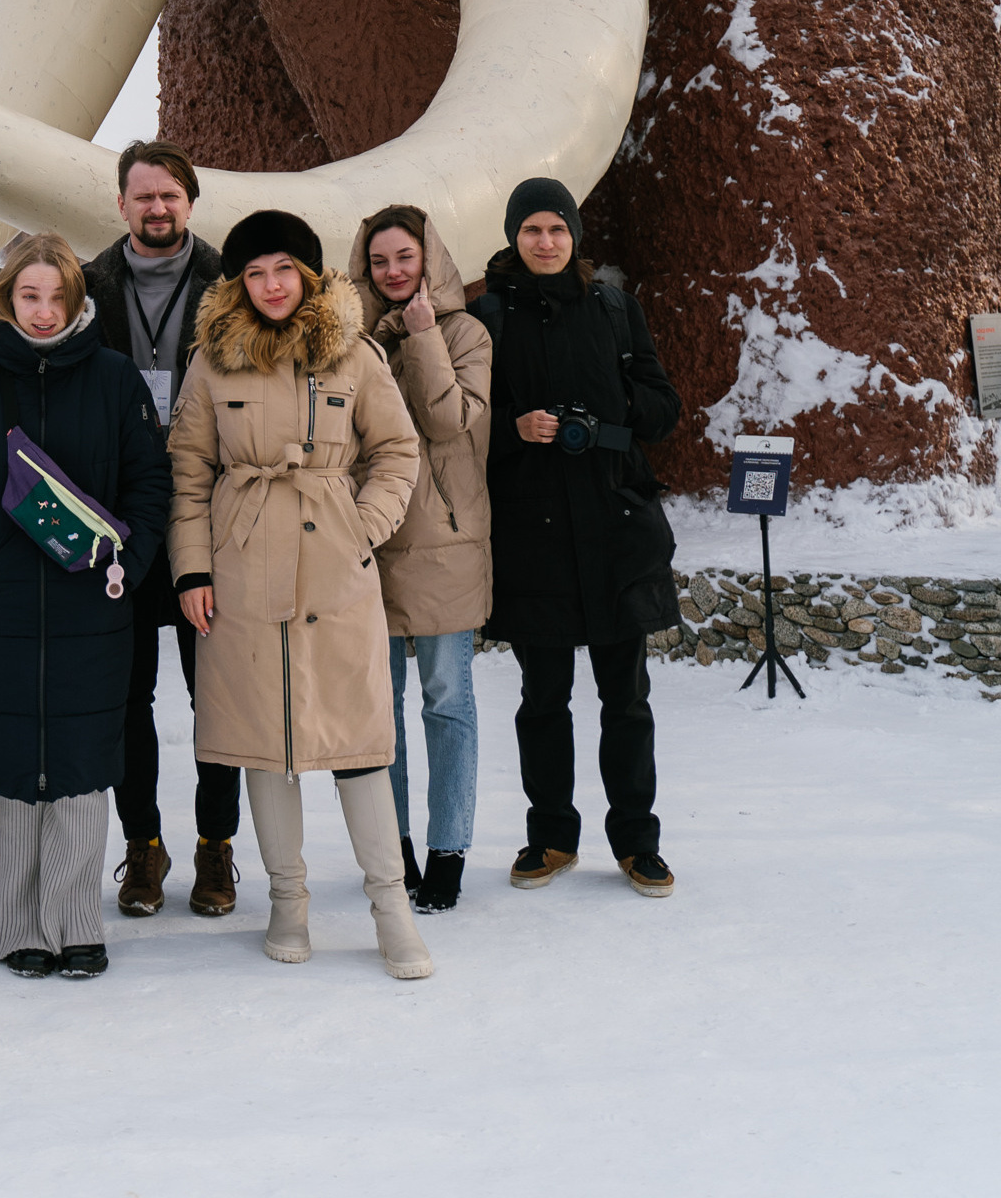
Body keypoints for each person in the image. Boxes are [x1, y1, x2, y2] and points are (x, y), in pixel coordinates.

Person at [169, 211, 431, 977]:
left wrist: (363, 526)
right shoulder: (213, 360)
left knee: (359, 745)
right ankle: (289, 902)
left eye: (283, 270)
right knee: (262, 743)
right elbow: (187, 472)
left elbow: (398, 449)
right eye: (254, 273)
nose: (271, 286)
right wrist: (193, 570)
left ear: (309, 276)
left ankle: (392, 908)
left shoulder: (354, 354)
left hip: (336, 571)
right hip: (244, 573)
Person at [0, 234, 169, 977]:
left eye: (59, 297)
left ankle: (78, 920)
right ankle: (21, 924)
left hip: (94, 603)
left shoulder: (116, 381)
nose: (46, 310)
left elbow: (151, 487)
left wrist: (130, 560)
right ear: (7, 298)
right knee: (21, 767)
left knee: (84, 765)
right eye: (31, 295)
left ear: (79, 299)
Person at [477, 177, 682, 898]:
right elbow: (463, 426)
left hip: (615, 527)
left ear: (574, 236)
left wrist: (610, 408)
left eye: (556, 229)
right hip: (533, 537)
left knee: (626, 699)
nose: (545, 242)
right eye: (531, 230)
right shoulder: (488, 316)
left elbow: (664, 408)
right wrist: (515, 428)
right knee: (543, 699)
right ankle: (551, 836)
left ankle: (636, 841)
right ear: (514, 237)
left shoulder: (616, 309)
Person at [83, 139, 237, 920]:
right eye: (143, 196)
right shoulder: (86, 287)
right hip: (120, 523)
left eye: (170, 195)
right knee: (126, 699)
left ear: (189, 200)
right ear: (122, 205)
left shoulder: (230, 287)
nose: (157, 208)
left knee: (217, 698)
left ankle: (217, 846)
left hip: (210, 519)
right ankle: (143, 845)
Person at [349, 205, 492, 915]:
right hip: (373, 545)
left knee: (446, 701)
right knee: (384, 716)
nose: (393, 272)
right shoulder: (354, 342)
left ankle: (448, 847)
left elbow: (446, 421)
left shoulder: (466, 333)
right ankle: (395, 845)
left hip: (444, 548)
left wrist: (425, 334)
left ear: (430, 258)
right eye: (379, 262)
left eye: (405, 257)